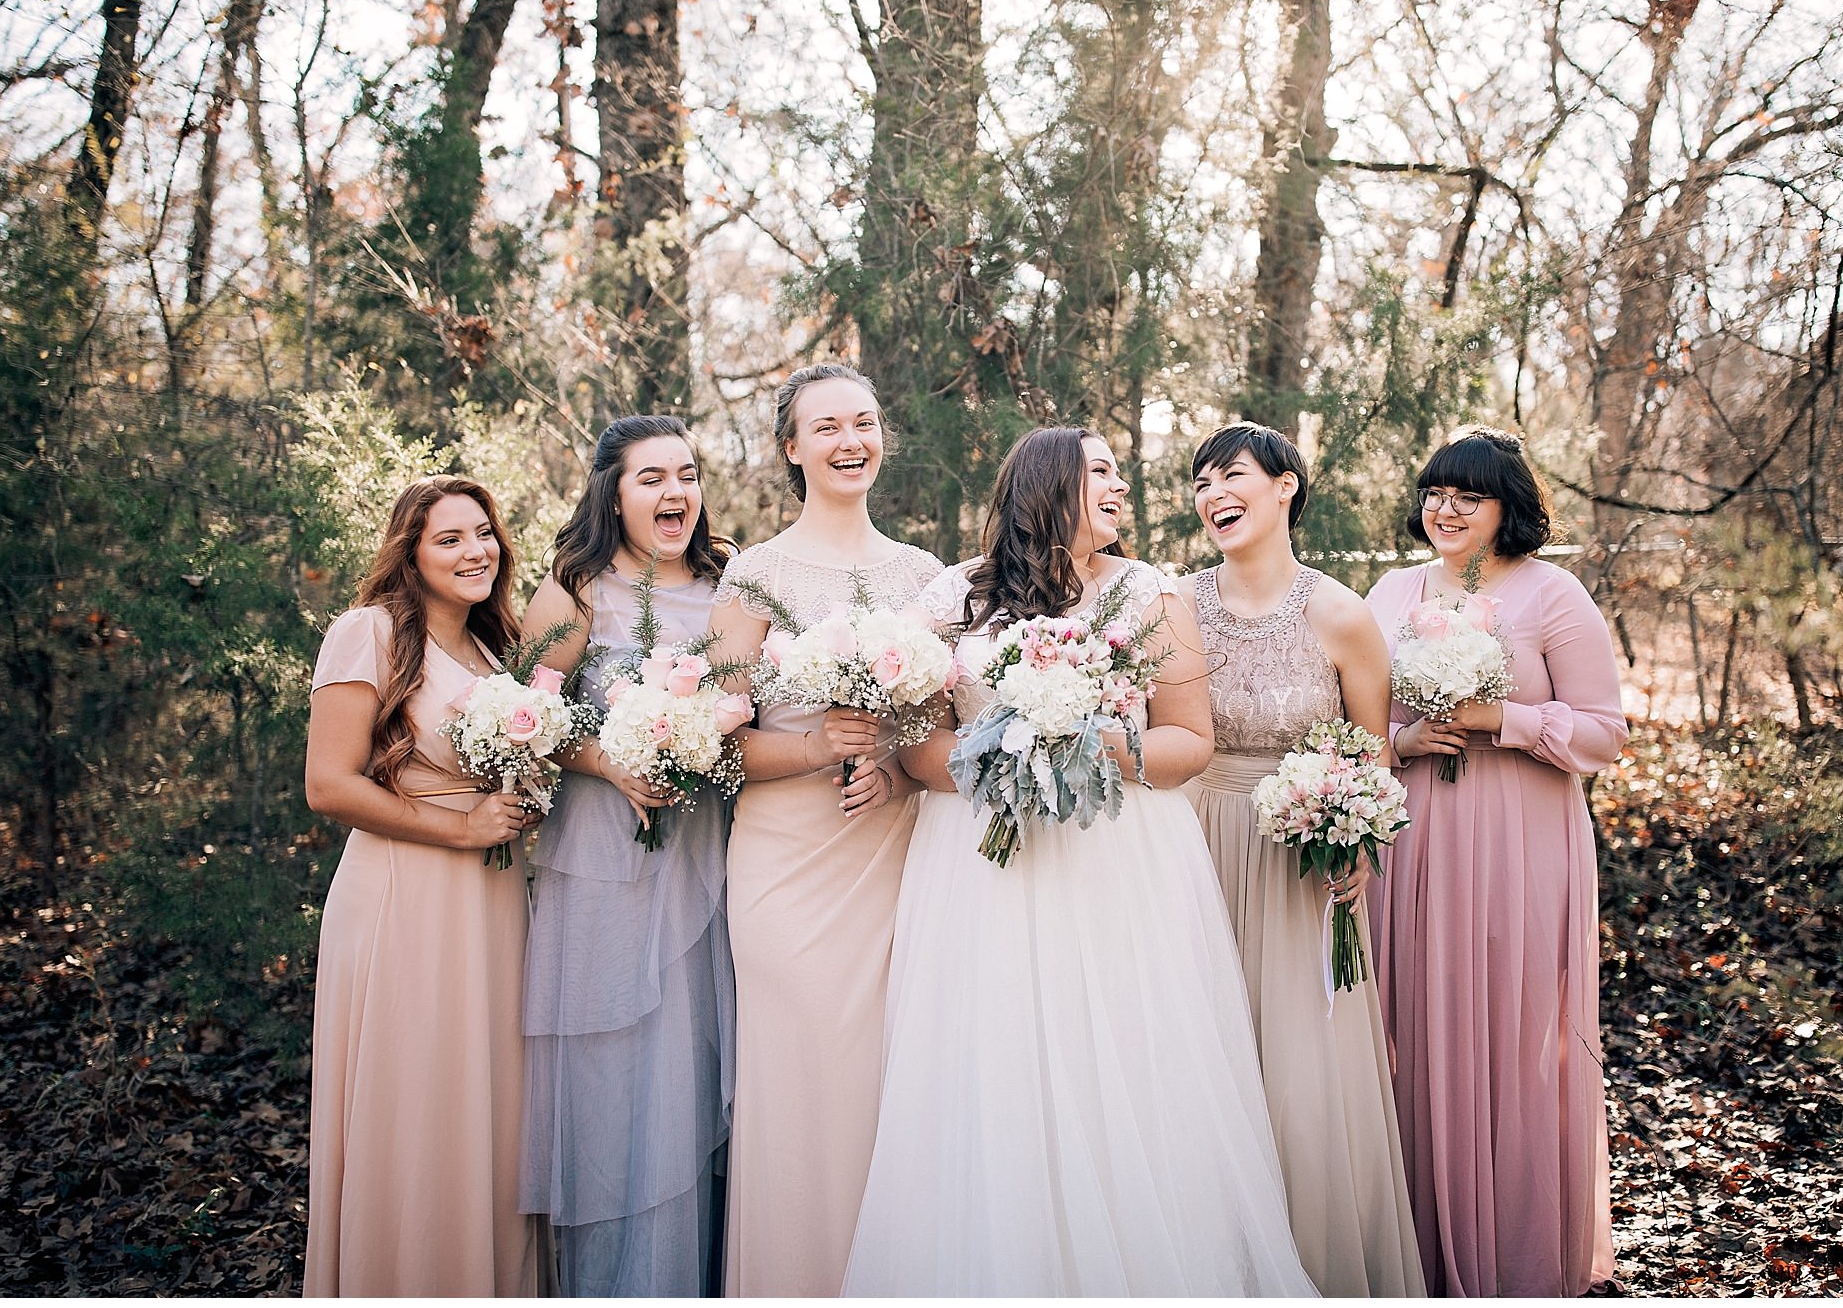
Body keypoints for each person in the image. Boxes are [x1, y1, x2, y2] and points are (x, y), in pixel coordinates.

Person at [841, 427, 1315, 1296]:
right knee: (994, 1070)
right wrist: (1003, 752)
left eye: (1119, 471)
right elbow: (909, 744)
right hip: (980, 868)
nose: (1121, 485)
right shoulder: (953, 595)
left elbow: (1189, 742)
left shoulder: (1150, 594)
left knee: (1124, 1070)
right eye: (1102, 470)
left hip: (1118, 862)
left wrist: (1087, 741)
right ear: (1048, 484)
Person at [1366, 425, 1627, 1297]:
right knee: (1414, 1030)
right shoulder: (1392, 592)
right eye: (1437, 491)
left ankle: (1511, 1261)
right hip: (1416, 841)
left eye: (1467, 495)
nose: (1446, 508)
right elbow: (1353, 717)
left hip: (1523, 842)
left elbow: (1604, 734)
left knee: (1515, 1036)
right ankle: (1418, 1251)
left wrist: (1498, 719)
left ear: (1508, 507)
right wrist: (1402, 738)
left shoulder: (1553, 595)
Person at [706, 364, 945, 1296]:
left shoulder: (923, 575)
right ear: (792, 448)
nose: (853, 440)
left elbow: (935, 726)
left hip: (889, 857)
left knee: (887, 1075)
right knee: (802, 1077)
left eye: (867, 422)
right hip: (785, 865)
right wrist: (818, 749)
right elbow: (715, 746)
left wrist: (891, 759)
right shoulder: (754, 574)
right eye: (829, 426)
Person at [1184, 423, 1426, 1296]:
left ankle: (1310, 1266)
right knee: (1201, 1058)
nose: (1214, 493)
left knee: (1302, 1073)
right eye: (1202, 481)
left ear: (1286, 485)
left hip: (1300, 863)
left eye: (1233, 475)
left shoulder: (1340, 613)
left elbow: (1374, 751)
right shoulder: (1177, 604)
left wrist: (1355, 835)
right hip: (1194, 846)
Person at [303, 476, 544, 1296]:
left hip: (494, 903)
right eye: (449, 538)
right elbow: (328, 784)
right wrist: (460, 826)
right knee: (410, 1105)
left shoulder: (496, 648)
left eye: (484, 533)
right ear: (410, 552)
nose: (475, 550)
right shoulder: (365, 632)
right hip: (405, 895)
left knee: (482, 1111)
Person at [517, 417, 737, 1296]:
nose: (674, 493)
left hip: (703, 859)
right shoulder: (576, 589)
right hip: (601, 865)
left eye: (686, 474)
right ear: (612, 491)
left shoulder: (729, 586)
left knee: (692, 1068)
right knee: (611, 1075)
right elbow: (525, 718)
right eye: (651, 478)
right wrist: (610, 758)